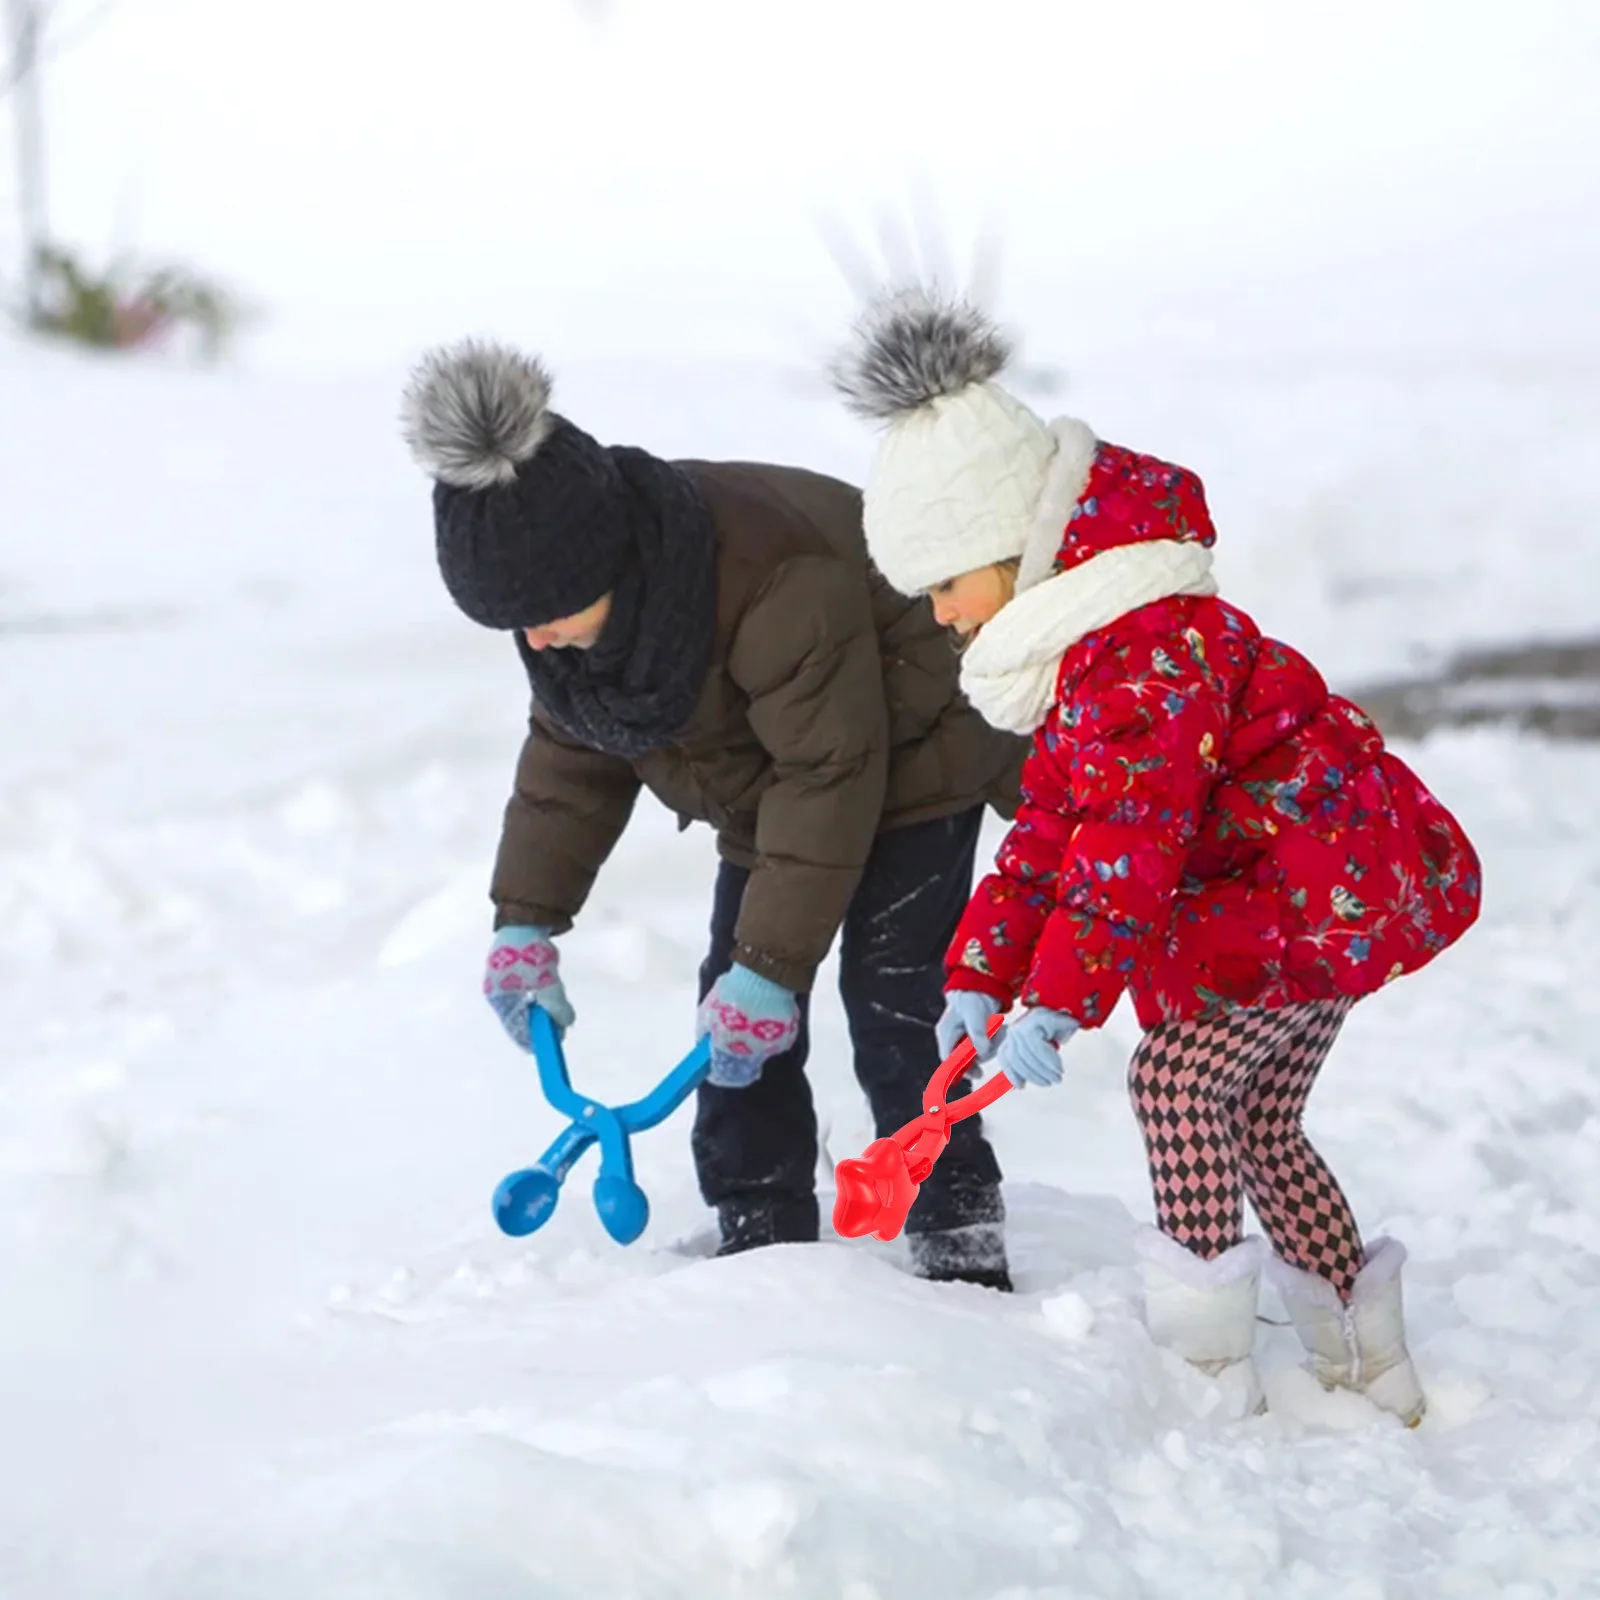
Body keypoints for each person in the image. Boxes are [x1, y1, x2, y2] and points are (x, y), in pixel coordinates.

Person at [829, 289, 1482, 1420]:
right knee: (1258, 1119)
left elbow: (1128, 845)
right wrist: (983, 977)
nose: (937, 615)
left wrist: (1058, 1004)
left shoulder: (1139, 653)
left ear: (1011, 549)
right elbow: (1047, 833)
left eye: (942, 584)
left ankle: (1208, 1367)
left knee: (1175, 1079)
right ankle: (1364, 1358)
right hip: (1304, 896)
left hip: (1313, 899)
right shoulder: (1085, 653)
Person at [399, 339, 1026, 1286]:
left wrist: (773, 967)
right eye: (516, 625)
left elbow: (831, 769)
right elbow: (571, 761)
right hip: (779, 785)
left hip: (913, 753)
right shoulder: (579, 623)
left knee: (896, 1001)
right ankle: (757, 1223)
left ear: (601, 563)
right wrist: (525, 921)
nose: (536, 639)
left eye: (548, 612)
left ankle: (958, 1232)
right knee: (731, 1018)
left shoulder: (771, 577)